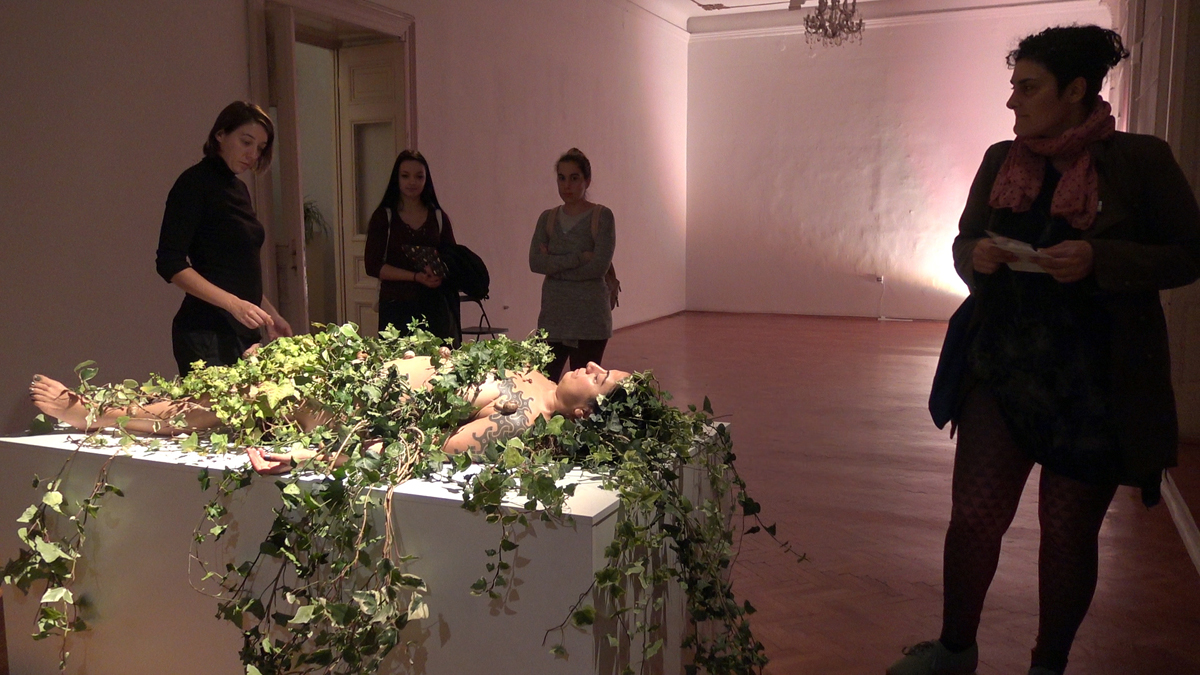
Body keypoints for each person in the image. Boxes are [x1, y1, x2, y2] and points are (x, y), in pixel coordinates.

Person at [888, 26, 1200, 675]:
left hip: (1095, 382)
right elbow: (964, 239)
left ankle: (1046, 665)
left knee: (1066, 533)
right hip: (1002, 367)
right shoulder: (1001, 159)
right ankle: (954, 649)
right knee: (974, 517)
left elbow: (1189, 253)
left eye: (1028, 87)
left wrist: (1099, 258)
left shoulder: (1140, 161)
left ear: (1076, 89)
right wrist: (976, 256)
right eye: (1014, 86)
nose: (1013, 101)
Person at [29, 352, 629, 475]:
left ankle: (96, 413)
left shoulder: (520, 420)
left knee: (227, 403)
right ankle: (103, 411)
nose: (594, 367)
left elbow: (422, 450)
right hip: (355, 372)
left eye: (601, 381)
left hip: (348, 407)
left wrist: (312, 455)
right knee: (230, 392)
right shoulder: (536, 373)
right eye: (604, 367)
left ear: (585, 417)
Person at [156, 101, 293, 376]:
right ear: (220, 134)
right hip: (206, 332)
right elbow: (170, 263)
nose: (253, 154)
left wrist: (270, 315)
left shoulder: (238, 188)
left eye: (260, 148)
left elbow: (236, 270)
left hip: (241, 330)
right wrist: (233, 305)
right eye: (246, 142)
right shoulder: (193, 183)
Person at [529, 148, 616, 381]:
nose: (567, 185)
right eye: (562, 178)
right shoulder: (547, 218)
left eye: (574, 178)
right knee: (542, 385)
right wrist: (579, 258)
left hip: (589, 320)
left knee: (582, 391)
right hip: (553, 318)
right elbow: (536, 263)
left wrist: (555, 266)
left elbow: (598, 267)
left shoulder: (602, 216)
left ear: (587, 180)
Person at [364, 150, 458, 340]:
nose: (412, 182)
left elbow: (452, 257)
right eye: (405, 176)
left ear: (426, 179)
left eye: (419, 176)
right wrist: (415, 277)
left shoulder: (438, 217)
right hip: (396, 305)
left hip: (433, 306)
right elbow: (373, 265)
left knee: (436, 358)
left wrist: (438, 271)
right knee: (397, 358)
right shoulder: (384, 216)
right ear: (397, 179)